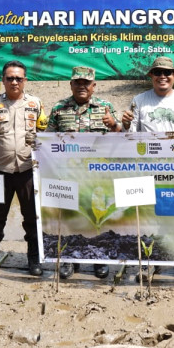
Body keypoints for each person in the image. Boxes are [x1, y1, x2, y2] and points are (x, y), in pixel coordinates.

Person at [121, 55, 174, 283]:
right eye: (158, 72)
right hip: (147, 170)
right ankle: (149, 262)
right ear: (151, 76)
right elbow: (130, 135)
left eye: (167, 73)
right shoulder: (139, 100)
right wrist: (125, 124)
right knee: (149, 218)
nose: (162, 77)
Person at [46, 65, 122, 279]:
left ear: (94, 86)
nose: (82, 86)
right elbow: (47, 140)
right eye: (77, 82)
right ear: (71, 84)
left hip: (98, 176)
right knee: (71, 219)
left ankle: (99, 259)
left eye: (86, 83)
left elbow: (122, 138)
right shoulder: (59, 108)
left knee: (98, 218)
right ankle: (70, 259)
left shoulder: (106, 107)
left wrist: (114, 125)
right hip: (68, 175)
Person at [0, 60, 45, 277]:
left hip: (28, 170)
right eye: (10, 78)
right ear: (3, 80)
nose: (14, 82)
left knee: (32, 218)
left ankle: (34, 258)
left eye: (18, 78)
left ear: (25, 80)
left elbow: (45, 129)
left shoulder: (35, 103)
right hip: (1, 170)